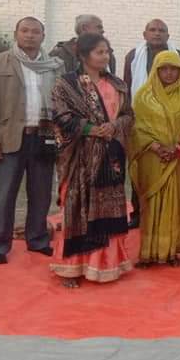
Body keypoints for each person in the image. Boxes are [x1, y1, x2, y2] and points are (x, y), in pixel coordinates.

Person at [50, 33, 133, 287]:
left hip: (110, 155)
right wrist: (90, 129)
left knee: (108, 208)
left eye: (107, 52)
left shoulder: (117, 84)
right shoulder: (66, 84)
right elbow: (61, 117)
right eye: (99, 52)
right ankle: (71, 269)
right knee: (77, 209)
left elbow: (128, 115)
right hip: (80, 157)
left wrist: (114, 126)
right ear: (84, 55)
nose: (105, 56)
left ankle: (104, 266)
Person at [0, 17, 61, 264]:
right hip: (9, 140)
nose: (30, 35)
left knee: (41, 194)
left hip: (44, 137)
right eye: (25, 30)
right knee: (4, 196)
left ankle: (38, 239)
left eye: (35, 32)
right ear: (16, 33)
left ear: (43, 36)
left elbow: (62, 103)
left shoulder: (54, 66)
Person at [129, 51, 180, 267]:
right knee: (151, 205)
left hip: (178, 158)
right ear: (155, 70)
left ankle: (171, 252)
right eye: (163, 69)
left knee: (176, 203)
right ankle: (147, 253)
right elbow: (136, 128)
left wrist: (177, 147)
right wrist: (155, 146)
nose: (169, 73)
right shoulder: (143, 96)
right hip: (151, 158)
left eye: (174, 69)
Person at [123, 18, 180, 229]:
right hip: (144, 120)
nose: (157, 33)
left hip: (173, 122)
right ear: (145, 34)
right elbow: (126, 87)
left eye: (161, 30)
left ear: (168, 35)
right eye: (153, 29)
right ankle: (138, 212)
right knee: (142, 171)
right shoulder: (133, 56)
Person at [50, 14, 116, 75]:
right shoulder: (60, 53)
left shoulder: (108, 54)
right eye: (99, 27)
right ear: (84, 28)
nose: (102, 31)